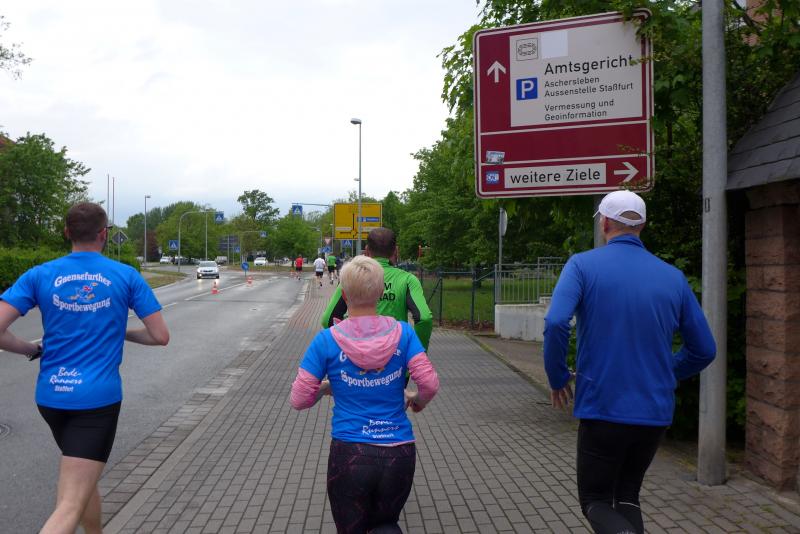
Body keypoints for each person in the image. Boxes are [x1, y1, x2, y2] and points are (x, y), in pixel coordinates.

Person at [543, 190, 716, 534]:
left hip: (603, 408)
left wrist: (558, 376)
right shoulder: (673, 277)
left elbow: (556, 322)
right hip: (654, 414)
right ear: (642, 226)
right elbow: (704, 349)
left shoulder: (581, 265)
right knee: (626, 497)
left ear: (605, 223)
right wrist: (666, 372)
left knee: (595, 500)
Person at [0, 202, 170, 534]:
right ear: (104, 234)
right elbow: (160, 336)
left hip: (51, 398)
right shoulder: (125, 276)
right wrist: (121, 331)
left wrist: (31, 350)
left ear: (67, 233)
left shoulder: (39, 275)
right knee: (70, 503)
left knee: (81, 480)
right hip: (95, 402)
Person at [290, 255, 439, 533]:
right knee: (386, 525)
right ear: (380, 292)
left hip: (350, 453)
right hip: (399, 453)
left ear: (344, 295)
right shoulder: (404, 334)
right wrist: (416, 401)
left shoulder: (326, 340)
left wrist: (325, 389)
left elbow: (299, 399)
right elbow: (429, 384)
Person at [321, 228, 433, 352]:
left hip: (356, 353)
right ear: (396, 250)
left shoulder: (351, 276)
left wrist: (344, 345)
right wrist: (416, 352)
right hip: (394, 354)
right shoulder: (408, 280)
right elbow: (424, 318)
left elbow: (328, 319)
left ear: (367, 250)